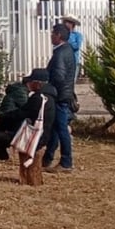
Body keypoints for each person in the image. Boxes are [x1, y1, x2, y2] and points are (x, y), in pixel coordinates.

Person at [0, 68, 57, 182]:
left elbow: (20, 114)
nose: (30, 84)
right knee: (2, 132)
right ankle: (1, 153)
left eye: (32, 82)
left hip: (32, 139)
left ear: (38, 83)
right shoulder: (49, 97)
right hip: (42, 136)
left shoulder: (38, 98)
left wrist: (0, 117)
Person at [43, 23, 77, 173]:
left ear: (59, 36)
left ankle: (66, 161)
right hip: (64, 94)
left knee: (62, 129)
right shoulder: (67, 50)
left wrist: (48, 88)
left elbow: (58, 76)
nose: (51, 36)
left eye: (53, 34)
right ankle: (47, 158)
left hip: (60, 95)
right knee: (56, 128)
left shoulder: (61, 53)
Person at [62, 14, 83, 82]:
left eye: (68, 22)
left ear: (72, 24)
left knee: (71, 82)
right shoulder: (61, 35)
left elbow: (76, 47)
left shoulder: (77, 35)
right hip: (62, 61)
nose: (66, 23)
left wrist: (69, 36)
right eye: (65, 22)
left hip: (73, 61)